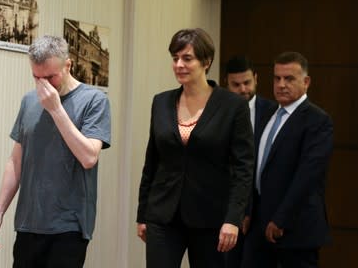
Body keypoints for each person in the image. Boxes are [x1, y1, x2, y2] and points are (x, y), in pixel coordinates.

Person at [0, 35, 111, 268]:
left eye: (51, 76)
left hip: (69, 226)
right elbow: (15, 161)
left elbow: (89, 157)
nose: (44, 85)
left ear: (68, 65)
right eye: (37, 77)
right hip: (28, 223)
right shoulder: (29, 101)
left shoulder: (94, 100)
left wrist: (56, 109)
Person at [136, 28, 255, 267]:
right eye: (175, 58)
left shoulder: (232, 106)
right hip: (163, 215)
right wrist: (142, 214)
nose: (179, 64)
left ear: (206, 61)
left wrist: (233, 218)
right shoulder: (161, 102)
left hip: (211, 218)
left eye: (187, 58)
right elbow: (152, 162)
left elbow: (243, 168)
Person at [241, 52, 333, 268]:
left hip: (295, 228)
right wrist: (246, 211)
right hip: (258, 226)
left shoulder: (318, 120)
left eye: (289, 79)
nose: (281, 85)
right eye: (277, 78)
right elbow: (255, 168)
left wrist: (281, 219)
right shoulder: (267, 114)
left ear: (306, 82)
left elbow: (307, 176)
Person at [225, 56, 277, 268]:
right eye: (235, 85)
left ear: (256, 78)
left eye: (247, 82)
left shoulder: (273, 112)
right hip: (226, 210)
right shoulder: (219, 112)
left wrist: (249, 211)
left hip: (263, 212)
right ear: (226, 83)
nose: (243, 89)